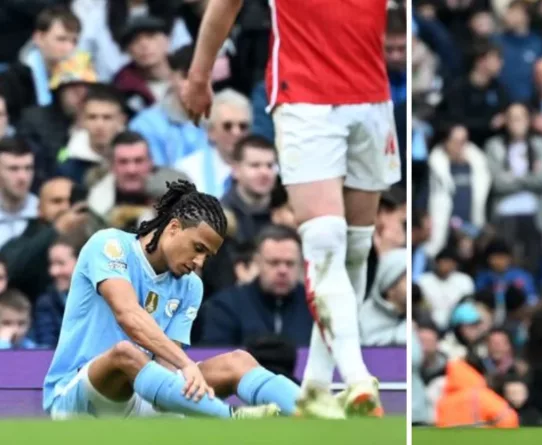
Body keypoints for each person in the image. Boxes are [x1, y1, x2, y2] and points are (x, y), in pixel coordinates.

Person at [180, 0, 401, 419]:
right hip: (305, 99)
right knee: (325, 240)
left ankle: (316, 387)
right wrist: (199, 73)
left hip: (372, 101)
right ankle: (356, 377)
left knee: (353, 250)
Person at [42, 180, 301, 420]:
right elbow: (128, 315)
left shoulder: (191, 286)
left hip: (142, 400)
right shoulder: (110, 245)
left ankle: (313, 411)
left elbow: (164, 368)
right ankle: (230, 420)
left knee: (238, 361)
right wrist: (186, 364)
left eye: (207, 256)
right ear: (174, 227)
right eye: (198, 248)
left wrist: (180, 379)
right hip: (78, 402)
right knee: (125, 354)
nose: (200, 262)